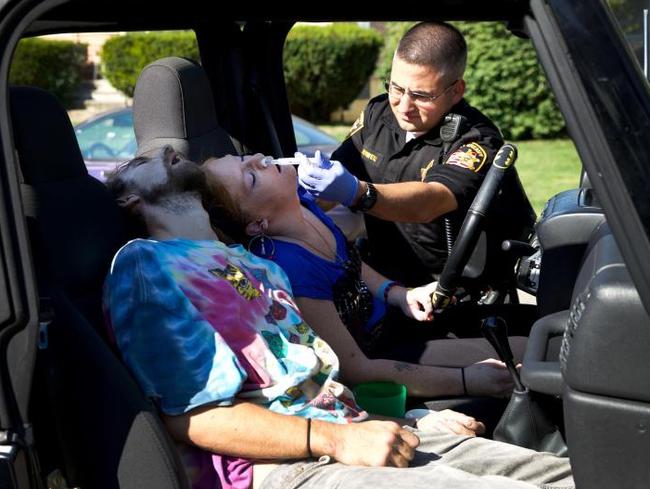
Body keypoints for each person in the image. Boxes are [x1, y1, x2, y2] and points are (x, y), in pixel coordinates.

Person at [103, 146, 573, 489]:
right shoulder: (148, 266)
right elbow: (193, 417)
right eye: (137, 162)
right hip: (288, 467)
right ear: (128, 201)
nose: (165, 148)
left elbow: (314, 376)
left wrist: (407, 419)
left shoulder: (254, 265)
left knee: (571, 474)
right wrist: (333, 439)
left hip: (353, 431)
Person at [201, 152, 527, 399]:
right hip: (382, 354)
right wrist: (468, 379)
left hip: (398, 324)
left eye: (247, 158)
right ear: (258, 225)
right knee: (532, 347)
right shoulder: (291, 269)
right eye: (251, 177)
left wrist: (397, 294)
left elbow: (350, 262)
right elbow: (355, 369)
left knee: (536, 330)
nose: (259, 159)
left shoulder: (300, 203)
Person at [297, 21, 535, 293]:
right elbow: (331, 188)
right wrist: (300, 194)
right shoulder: (378, 114)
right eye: (396, 88)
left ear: (456, 90)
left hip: (451, 296)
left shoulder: (476, 138)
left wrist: (359, 193)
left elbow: (432, 200)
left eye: (422, 95)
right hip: (384, 283)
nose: (404, 106)